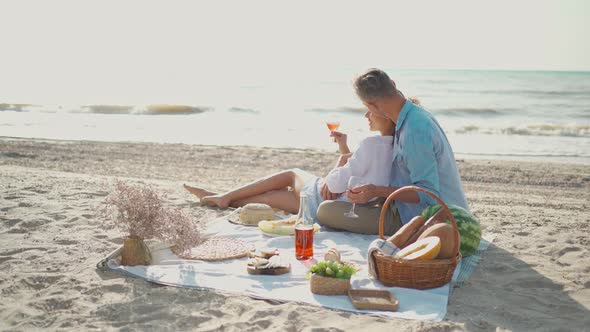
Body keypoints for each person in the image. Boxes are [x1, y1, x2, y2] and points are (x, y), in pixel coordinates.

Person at [183, 108, 402, 234]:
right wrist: (344, 147)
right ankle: (221, 199)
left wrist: (339, 159)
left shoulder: (372, 143)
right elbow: (359, 171)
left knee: (291, 173)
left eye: (371, 110)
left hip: (324, 197)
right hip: (331, 204)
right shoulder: (393, 149)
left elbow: (336, 180)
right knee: (272, 198)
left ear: (386, 115)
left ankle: (224, 196)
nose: (366, 114)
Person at [318, 68, 469, 229]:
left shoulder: (414, 131)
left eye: (367, 109)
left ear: (372, 106)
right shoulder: (413, 116)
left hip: (435, 219)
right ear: (393, 84)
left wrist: (376, 191)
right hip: (423, 209)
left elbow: (427, 194)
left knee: (325, 211)